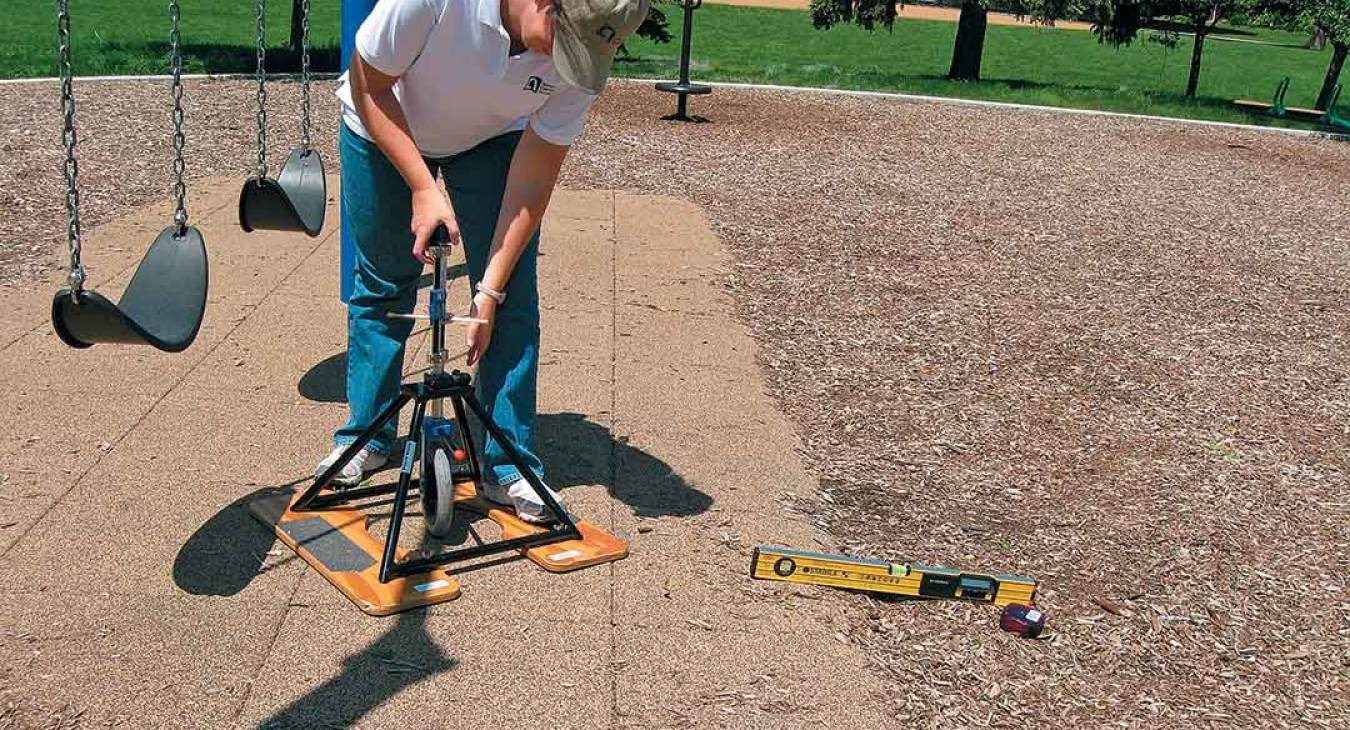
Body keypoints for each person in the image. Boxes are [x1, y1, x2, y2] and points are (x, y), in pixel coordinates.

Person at [316, 0, 649, 523]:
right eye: (563, 43)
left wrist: (488, 292)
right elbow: (368, 83)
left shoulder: (582, 60)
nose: (566, 62)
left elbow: (535, 177)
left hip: (491, 139)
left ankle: (506, 462)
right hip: (382, 119)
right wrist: (423, 188)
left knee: (512, 294)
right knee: (383, 285)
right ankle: (365, 438)